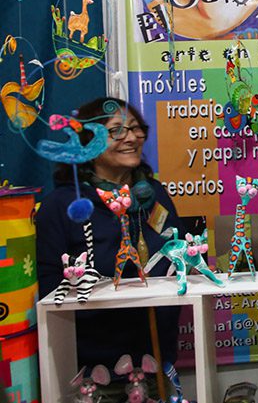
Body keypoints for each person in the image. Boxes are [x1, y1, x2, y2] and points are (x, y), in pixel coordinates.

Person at [36, 97, 183, 401]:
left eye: (136, 129)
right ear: (88, 142)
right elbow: (50, 290)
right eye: (116, 131)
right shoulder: (63, 206)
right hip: (92, 375)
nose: (131, 138)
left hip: (155, 365)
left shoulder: (155, 195)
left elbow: (179, 261)